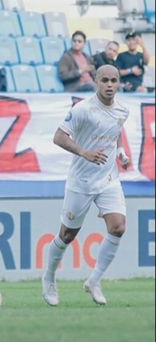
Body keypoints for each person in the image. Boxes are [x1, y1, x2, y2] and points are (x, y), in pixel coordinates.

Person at [41, 65, 131, 307]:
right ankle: (49, 278)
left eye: (114, 80)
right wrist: (84, 152)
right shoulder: (82, 110)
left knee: (118, 227)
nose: (110, 85)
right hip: (81, 181)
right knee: (67, 234)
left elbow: (115, 130)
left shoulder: (123, 108)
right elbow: (58, 137)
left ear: (119, 82)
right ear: (96, 81)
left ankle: (94, 280)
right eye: (105, 80)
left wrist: (120, 152)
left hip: (109, 180)